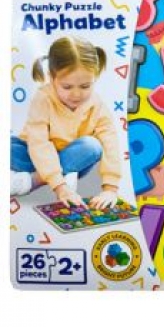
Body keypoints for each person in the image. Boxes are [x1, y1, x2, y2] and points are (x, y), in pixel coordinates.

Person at [10, 36, 121, 210]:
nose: (76, 94)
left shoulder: (96, 105)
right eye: (67, 87)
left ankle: (36, 179)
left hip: (71, 158)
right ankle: (46, 177)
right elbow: (38, 143)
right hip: (35, 155)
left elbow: (110, 143)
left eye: (85, 86)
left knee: (92, 146)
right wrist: (60, 186)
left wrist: (110, 189)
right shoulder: (42, 99)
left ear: (95, 77)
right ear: (51, 78)